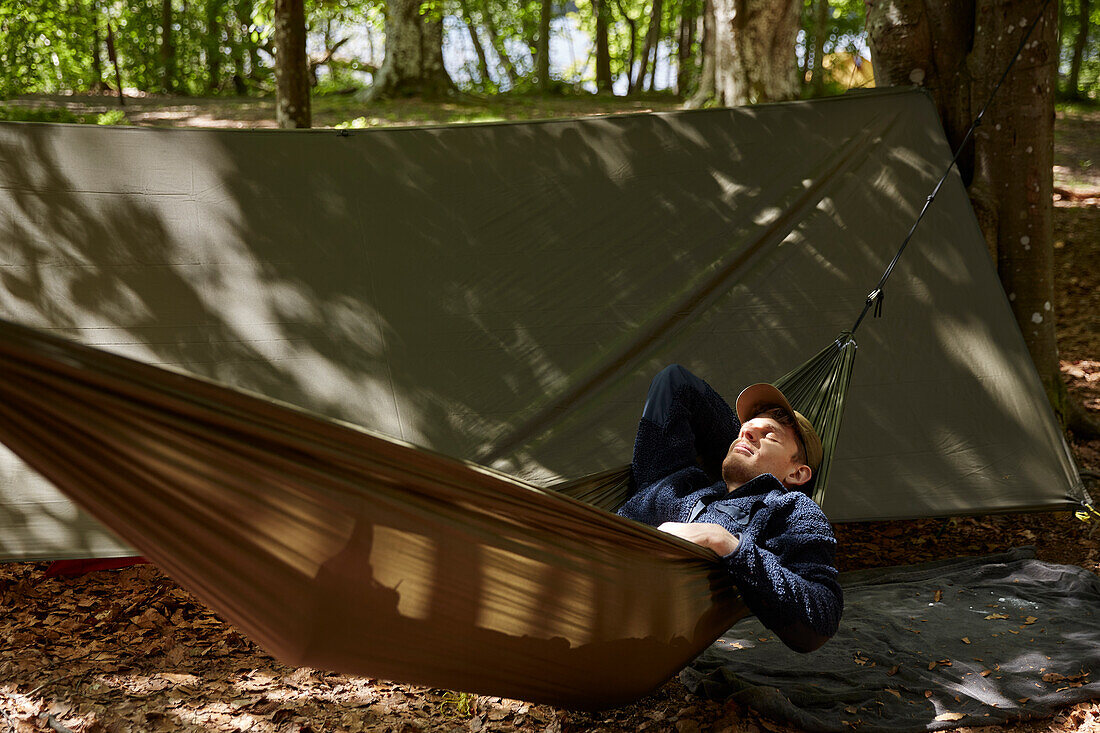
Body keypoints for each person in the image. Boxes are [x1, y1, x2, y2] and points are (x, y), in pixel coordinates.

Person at [617, 364, 843, 653]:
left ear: (798, 474)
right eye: (743, 429)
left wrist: (726, 544)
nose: (747, 432)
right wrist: (749, 433)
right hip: (573, 565)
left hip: (623, 610)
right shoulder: (677, 481)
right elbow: (675, 382)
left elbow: (821, 618)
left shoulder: (789, 510)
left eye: (771, 435)